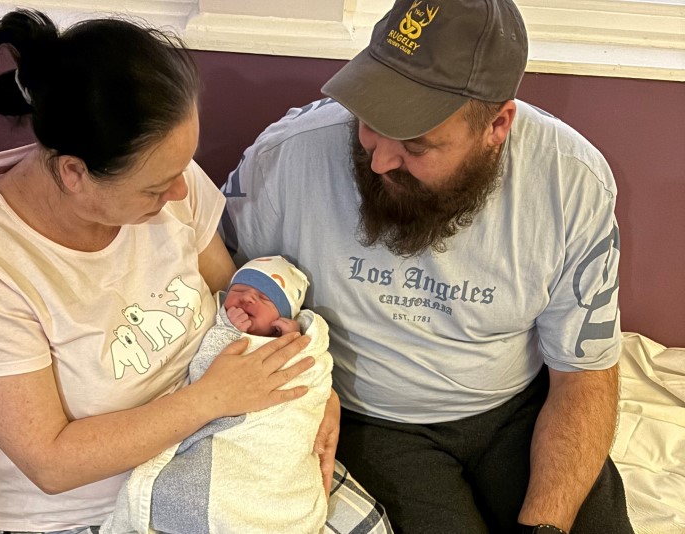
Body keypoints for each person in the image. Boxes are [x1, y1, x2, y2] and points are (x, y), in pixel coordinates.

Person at [220, 0, 633, 533]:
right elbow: (217, 289)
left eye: (416, 144)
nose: (379, 159)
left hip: (518, 410)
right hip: (377, 421)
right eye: (369, 121)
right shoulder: (284, 160)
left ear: (498, 125)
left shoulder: (571, 182)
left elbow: (583, 377)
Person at [0, 9, 334, 532]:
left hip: (212, 443)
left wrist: (308, 389)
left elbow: (234, 302)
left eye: (181, 169)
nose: (180, 194)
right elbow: (51, 462)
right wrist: (212, 398)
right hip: (87, 508)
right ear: (74, 172)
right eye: (155, 187)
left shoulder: (162, 172)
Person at [102, 255, 342, 533]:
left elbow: (314, 375)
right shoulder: (222, 332)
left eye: (263, 298)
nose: (247, 300)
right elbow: (206, 373)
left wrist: (295, 337)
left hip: (273, 440)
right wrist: (230, 334)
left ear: (284, 317)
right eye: (239, 291)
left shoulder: (299, 340)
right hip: (229, 436)